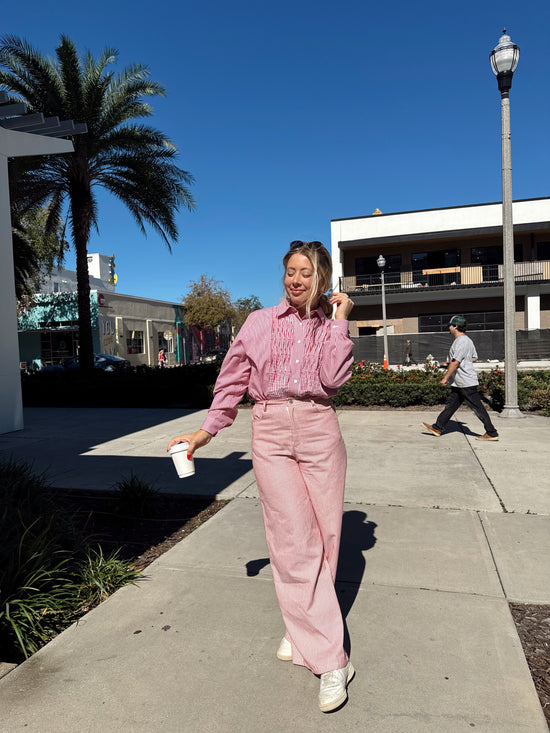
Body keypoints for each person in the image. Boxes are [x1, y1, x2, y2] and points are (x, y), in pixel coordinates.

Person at [168, 241, 355, 712]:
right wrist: (207, 430)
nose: (295, 280)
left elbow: (333, 380)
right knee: (293, 540)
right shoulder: (258, 322)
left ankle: (302, 628)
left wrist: (339, 322)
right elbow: (232, 379)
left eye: (305, 273)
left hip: (318, 427)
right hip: (270, 429)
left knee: (326, 538)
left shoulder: (328, 326)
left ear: (322, 278)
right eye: (290, 271)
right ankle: (333, 660)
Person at [422, 315, 499, 441]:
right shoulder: (468, 340)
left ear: (456, 326)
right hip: (460, 382)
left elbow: (456, 361)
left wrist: (445, 376)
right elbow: (474, 357)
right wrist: (459, 362)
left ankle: (491, 432)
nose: (449, 327)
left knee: (478, 408)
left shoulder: (461, 341)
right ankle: (438, 427)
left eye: (450, 325)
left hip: (465, 381)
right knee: (451, 405)